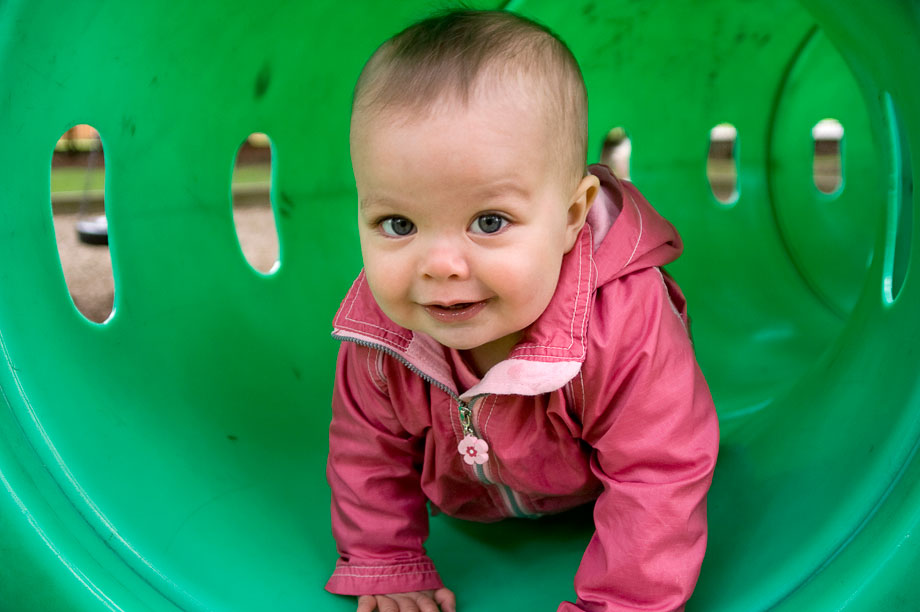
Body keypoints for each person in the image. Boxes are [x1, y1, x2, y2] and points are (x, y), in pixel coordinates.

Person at [325, 9, 719, 612]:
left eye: (490, 222)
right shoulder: (380, 336)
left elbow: (658, 472)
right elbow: (365, 453)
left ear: (570, 216)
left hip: (595, 493)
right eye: (397, 223)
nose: (440, 265)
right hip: (471, 505)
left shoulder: (622, 325)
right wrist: (386, 559)